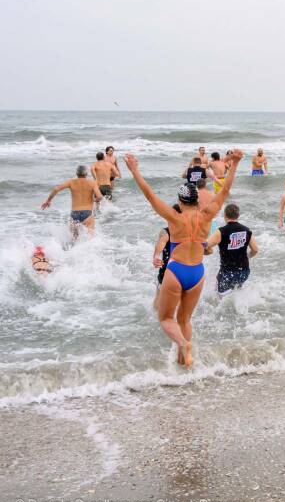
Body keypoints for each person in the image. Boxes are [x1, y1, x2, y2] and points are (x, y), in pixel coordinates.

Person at [125, 149, 243, 367]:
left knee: (165, 318)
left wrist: (134, 170)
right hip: (197, 272)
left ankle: (182, 344)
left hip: (177, 270)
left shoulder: (173, 217)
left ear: (180, 200)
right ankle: (184, 361)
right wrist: (234, 164)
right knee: (185, 319)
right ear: (197, 198)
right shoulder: (207, 215)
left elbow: (149, 195)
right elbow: (225, 191)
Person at [205, 203, 258, 295]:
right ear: (238, 215)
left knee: (220, 296)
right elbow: (255, 250)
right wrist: (248, 256)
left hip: (227, 273)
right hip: (244, 272)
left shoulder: (221, 231)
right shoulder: (247, 230)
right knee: (237, 292)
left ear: (225, 215)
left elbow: (206, 245)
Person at [41, 165, 103, 239]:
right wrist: (93, 200)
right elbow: (99, 197)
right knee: (89, 238)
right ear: (86, 174)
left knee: (74, 239)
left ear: (76, 173)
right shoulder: (92, 183)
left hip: (75, 213)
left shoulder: (71, 182)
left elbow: (56, 189)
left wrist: (48, 201)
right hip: (87, 213)